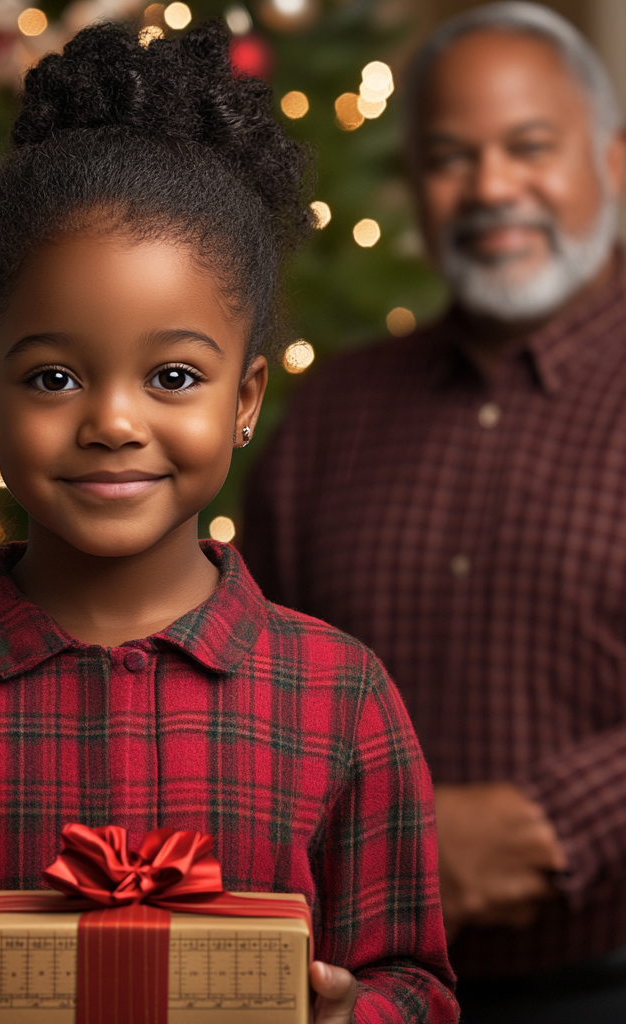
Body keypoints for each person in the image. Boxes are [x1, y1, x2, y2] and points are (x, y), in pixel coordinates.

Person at [0, 21, 457, 1024]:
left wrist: (357, 1015)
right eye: (52, 376)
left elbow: (416, 980)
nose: (114, 421)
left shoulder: (344, 701)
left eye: (172, 375)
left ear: (244, 397)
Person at [242, 3, 626, 1021]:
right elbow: (248, 668)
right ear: (415, 183)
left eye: (529, 148)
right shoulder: (331, 412)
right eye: (451, 156)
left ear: (615, 162)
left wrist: (554, 822)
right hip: (350, 990)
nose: (491, 187)